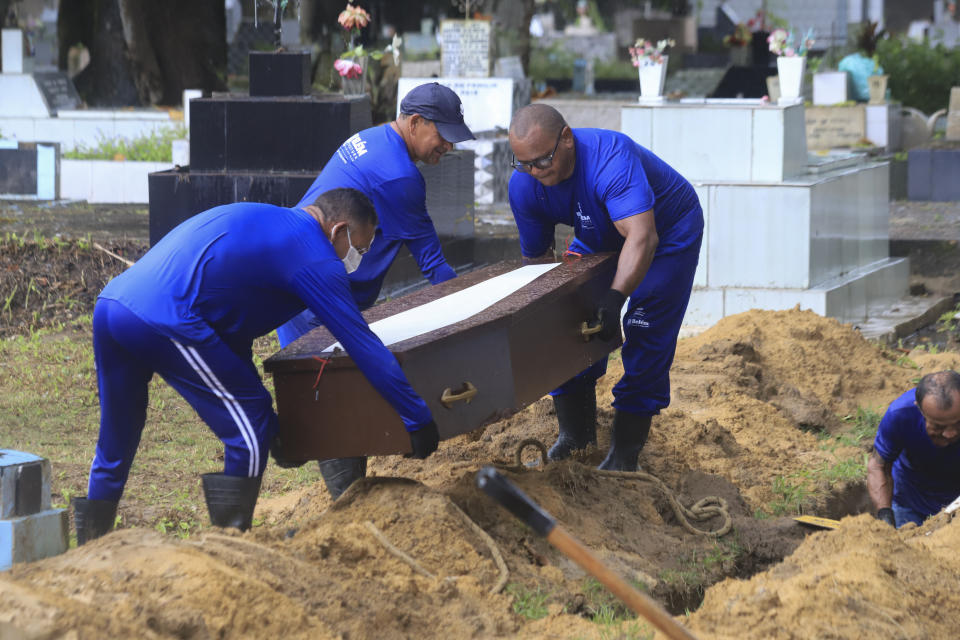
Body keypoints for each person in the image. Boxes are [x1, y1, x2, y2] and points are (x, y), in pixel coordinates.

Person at [71, 188, 440, 544]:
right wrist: (416, 416)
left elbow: (232, 332)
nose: (356, 258)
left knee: (117, 437)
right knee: (247, 432)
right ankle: (233, 550)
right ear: (338, 230)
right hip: (163, 317)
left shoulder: (271, 223)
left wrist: (273, 424)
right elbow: (361, 343)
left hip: (113, 305)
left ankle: (90, 548)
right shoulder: (316, 256)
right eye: (358, 248)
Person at [274, 81, 475, 499]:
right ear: (416, 122)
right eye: (443, 136)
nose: (448, 148)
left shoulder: (370, 139)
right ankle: (348, 506)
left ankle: (346, 493)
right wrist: (473, 310)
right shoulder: (399, 177)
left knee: (333, 394)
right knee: (336, 395)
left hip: (303, 276)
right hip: (322, 295)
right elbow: (433, 264)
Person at [507, 103, 703, 472]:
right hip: (599, 232)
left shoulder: (610, 157)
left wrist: (615, 298)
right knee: (565, 318)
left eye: (542, 161)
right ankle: (575, 438)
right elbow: (537, 265)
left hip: (664, 231)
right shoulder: (525, 185)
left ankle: (624, 453)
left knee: (645, 327)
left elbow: (642, 237)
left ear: (566, 138)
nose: (535, 172)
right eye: (524, 164)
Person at [868, 370, 960, 528]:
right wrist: (885, 516)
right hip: (910, 502)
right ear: (919, 410)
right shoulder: (901, 415)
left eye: (958, 423)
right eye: (939, 426)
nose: (950, 433)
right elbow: (879, 466)